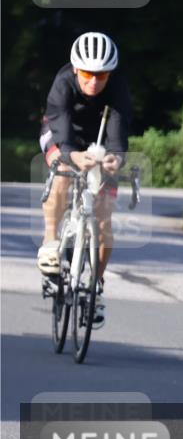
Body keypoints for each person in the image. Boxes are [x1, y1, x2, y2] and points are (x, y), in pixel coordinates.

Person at [36, 31, 132, 328]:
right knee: (61, 170)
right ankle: (50, 243)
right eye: (88, 74)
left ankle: (95, 286)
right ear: (77, 69)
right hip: (62, 133)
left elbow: (118, 132)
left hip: (99, 138)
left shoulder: (117, 87)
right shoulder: (63, 82)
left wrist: (116, 158)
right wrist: (71, 156)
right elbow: (61, 127)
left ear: (110, 74)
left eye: (101, 75)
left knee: (104, 219)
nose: (94, 81)